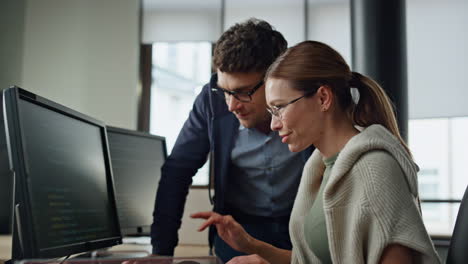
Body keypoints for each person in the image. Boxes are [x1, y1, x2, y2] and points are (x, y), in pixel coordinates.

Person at [191, 40, 441, 264]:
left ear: (323, 98)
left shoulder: (375, 170)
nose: (274, 124)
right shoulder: (322, 167)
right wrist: (251, 246)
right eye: (271, 111)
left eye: (279, 108)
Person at [151, 19, 314, 263]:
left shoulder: (308, 100)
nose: (231, 105)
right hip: (240, 231)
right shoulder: (211, 100)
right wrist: (160, 254)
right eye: (225, 91)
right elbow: (177, 172)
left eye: (243, 92)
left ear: (277, 79)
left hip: (304, 225)